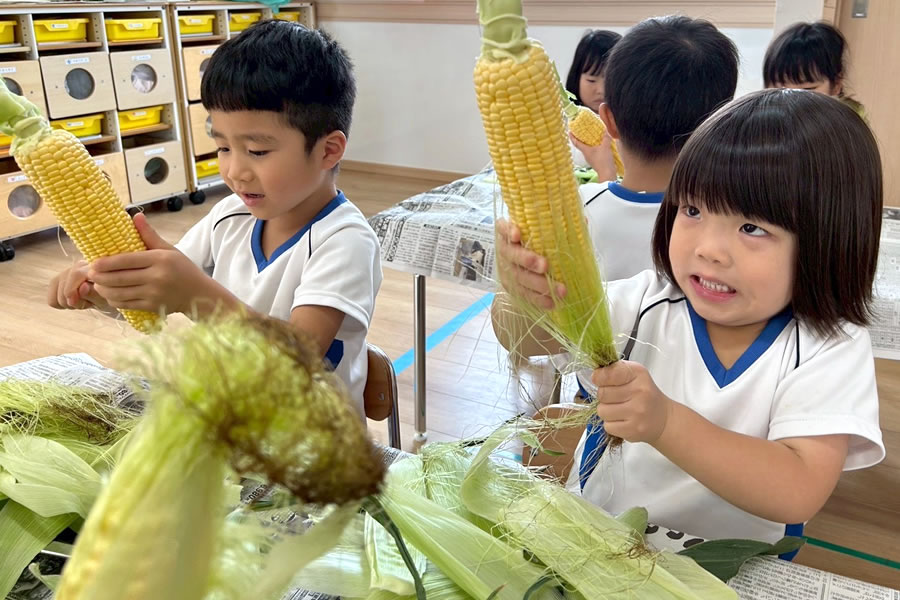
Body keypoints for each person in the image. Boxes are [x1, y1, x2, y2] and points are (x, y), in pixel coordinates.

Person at [492, 89, 885, 543]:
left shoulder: (828, 346)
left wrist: (666, 424)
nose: (708, 250)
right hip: (599, 538)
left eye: (751, 227)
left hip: (728, 567)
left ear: (831, 240)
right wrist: (521, 294)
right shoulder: (648, 301)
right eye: (692, 210)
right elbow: (527, 340)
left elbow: (798, 489)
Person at [48, 20, 382, 415]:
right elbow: (163, 295)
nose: (235, 171)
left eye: (257, 151)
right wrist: (105, 291)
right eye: (223, 147)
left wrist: (196, 295)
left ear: (328, 151)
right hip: (229, 427)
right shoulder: (229, 216)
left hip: (311, 451)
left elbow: (298, 364)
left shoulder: (345, 242)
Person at [574, 15, 739, 283]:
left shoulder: (578, 208)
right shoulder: (737, 221)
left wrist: (606, 173)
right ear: (721, 124)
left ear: (608, 121)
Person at [763, 21, 866, 119]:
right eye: (781, 90)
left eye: (807, 89)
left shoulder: (848, 127)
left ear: (836, 84)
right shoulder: (758, 119)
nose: (792, 100)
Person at [565, 29, 620, 174]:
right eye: (591, 80)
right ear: (576, 78)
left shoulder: (634, 127)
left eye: (609, 81)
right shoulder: (561, 126)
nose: (601, 90)